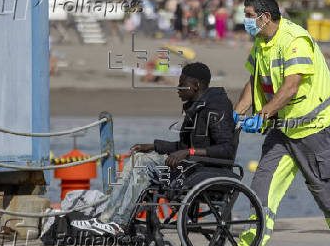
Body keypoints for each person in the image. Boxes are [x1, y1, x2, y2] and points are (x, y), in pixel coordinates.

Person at [228, 0, 330, 246]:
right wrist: (236, 114)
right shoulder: (261, 42)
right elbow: (253, 81)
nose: (245, 22)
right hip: (284, 128)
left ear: (265, 17)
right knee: (262, 189)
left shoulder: (295, 40)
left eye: (248, 16)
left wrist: (263, 114)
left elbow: (290, 86)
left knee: (324, 186)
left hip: (312, 126)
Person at [71, 62, 236, 234]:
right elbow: (183, 147)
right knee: (138, 159)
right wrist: (154, 146)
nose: (177, 88)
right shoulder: (195, 107)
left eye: (181, 84)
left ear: (195, 85)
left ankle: (118, 222)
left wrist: (189, 152)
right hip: (191, 166)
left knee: (144, 166)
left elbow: (226, 150)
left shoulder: (217, 107)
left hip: (206, 170)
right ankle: (106, 219)